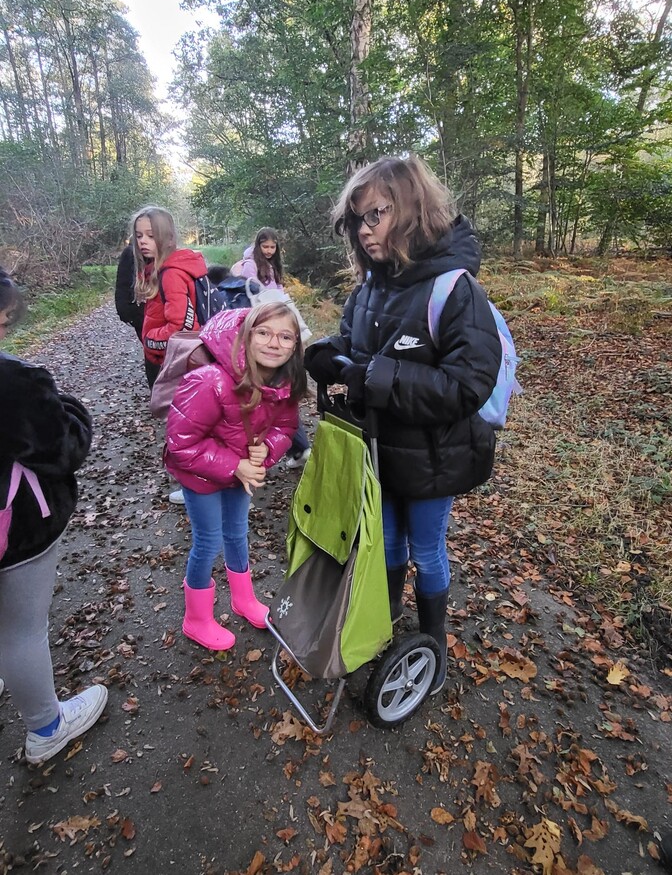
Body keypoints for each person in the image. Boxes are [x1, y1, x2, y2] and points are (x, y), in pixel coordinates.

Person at [304, 155, 502, 695]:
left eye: (376, 215)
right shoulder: (371, 287)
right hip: (379, 452)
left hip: (435, 457)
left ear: (412, 210)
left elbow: (468, 384)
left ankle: (433, 645)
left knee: (426, 549)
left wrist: (380, 378)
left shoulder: (454, 290)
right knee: (386, 543)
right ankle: (387, 628)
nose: (365, 230)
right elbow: (352, 344)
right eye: (357, 220)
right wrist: (325, 354)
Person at [0, 269, 108, 764]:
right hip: (17, 529)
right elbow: (65, 447)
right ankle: (47, 727)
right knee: (22, 630)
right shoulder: (15, 382)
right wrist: (69, 405)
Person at [164, 302, 306, 650]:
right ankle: (196, 618)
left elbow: (285, 427)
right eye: (264, 332)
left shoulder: (283, 384)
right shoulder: (209, 380)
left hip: (239, 475)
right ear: (246, 335)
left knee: (237, 533)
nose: (274, 343)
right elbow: (180, 444)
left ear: (295, 346)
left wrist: (268, 450)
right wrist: (235, 464)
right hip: (201, 478)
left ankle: (243, 600)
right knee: (208, 541)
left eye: (285, 336)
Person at [132, 205, 208, 504]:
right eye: (139, 235)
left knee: (185, 426)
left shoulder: (171, 274)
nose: (143, 241)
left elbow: (182, 327)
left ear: (166, 236)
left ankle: (196, 488)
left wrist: (150, 340)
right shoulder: (159, 270)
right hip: (183, 360)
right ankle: (196, 485)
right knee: (189, 423)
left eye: (151, 235)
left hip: (182, 362)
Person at [240, 229, 311, 469]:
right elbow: (253, 292)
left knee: (278, 393)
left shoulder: (272, 265)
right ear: (258, 245)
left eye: (272, 248)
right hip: (265, 322)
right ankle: (298, 447)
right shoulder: (251, 265)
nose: (269, 251)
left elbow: (277, 290)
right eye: (265, 247)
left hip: (279, 321)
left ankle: (298, 446)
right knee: (272, 392)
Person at [114, 238, 156, 386]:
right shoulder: (130, 254)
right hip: (140, 313)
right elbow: (123, 284)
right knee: (151, 352)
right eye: (139, 235)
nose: (144, 240)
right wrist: (126, 311)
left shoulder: (165, 254)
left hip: (162, 313)